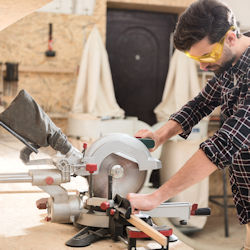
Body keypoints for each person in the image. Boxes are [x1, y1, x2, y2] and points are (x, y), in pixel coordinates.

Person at [126, 0, 250, 248]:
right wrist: (158, 136)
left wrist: (157, 197)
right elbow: (200, 104)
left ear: (231, 37)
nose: (203, 66)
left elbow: (225, 143)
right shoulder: (230, 65)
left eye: (207, 56)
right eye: (196, 59)